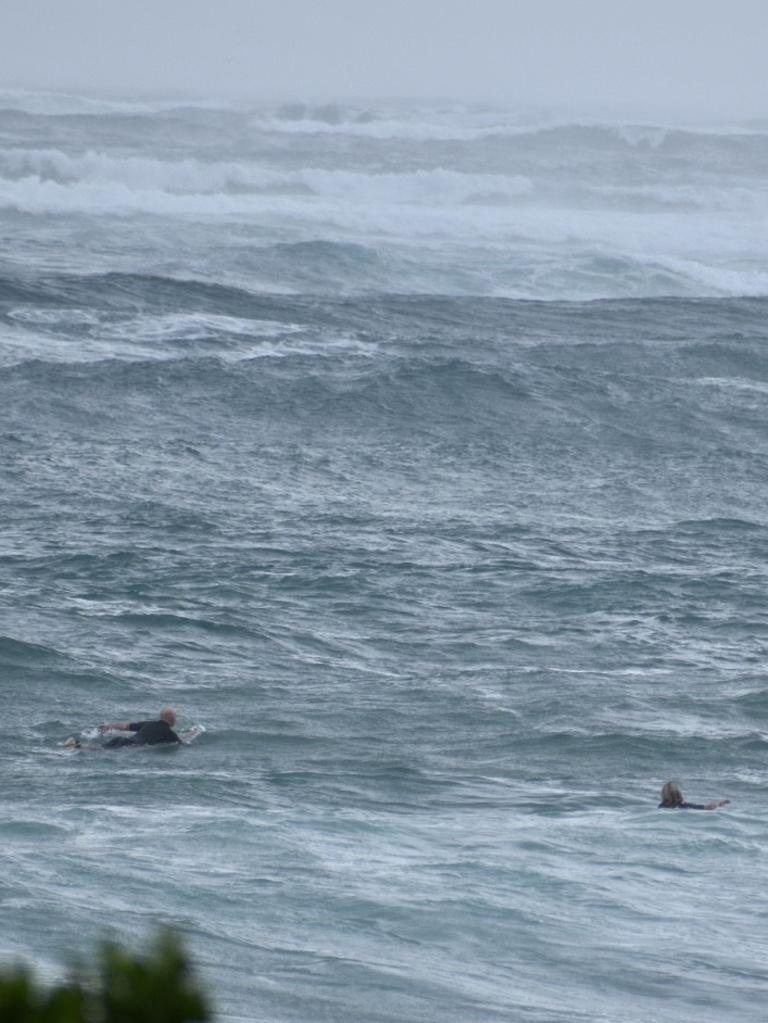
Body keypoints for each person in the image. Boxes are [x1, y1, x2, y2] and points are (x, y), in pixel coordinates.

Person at [98, 706, 182, 748]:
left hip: (120, 740)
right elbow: (182, 744)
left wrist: (109, 726)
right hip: (129, 746)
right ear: (172, 719)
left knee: (97, 749)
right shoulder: (170, 734)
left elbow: (125, 726)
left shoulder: (148, 723)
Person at [658, 781, 730, 810]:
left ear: (663, 794)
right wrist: (719, 803)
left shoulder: (661, 807)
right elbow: (709, 807)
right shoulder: (684, 805)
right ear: (678, 793)